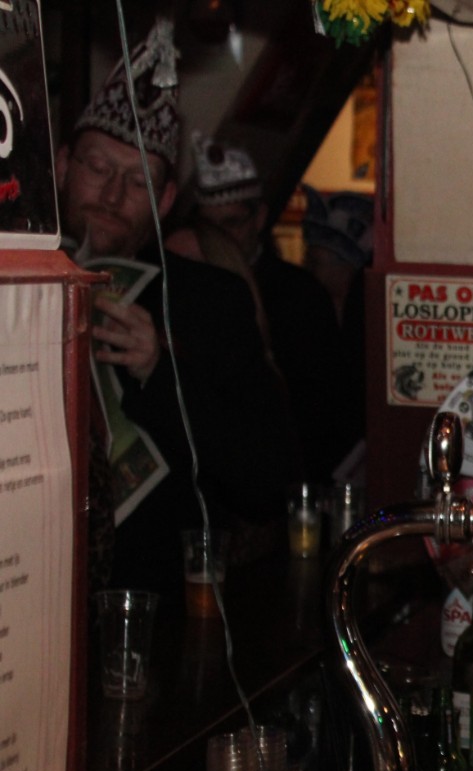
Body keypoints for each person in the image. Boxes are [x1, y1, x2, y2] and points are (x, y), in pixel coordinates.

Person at [56, 19, 298, 594]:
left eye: (137, 180)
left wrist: (160, 373)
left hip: (155, 601)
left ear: (166, 200)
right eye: (97, 168)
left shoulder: (210, 300)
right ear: (62, 166)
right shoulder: (14, 286)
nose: (112, 195)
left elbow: (268, 478)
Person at [189, 134, 352, 482]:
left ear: (259, 218)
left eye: (232, 223)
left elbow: (323, 413)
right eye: (209, 227)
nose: (220, 239)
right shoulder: (189, 289)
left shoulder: (300, 296)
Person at [301, 185, 375, 478]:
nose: (307, 270)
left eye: (315, 262)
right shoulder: (305, 320)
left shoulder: (365, 328)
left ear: (346, 265)